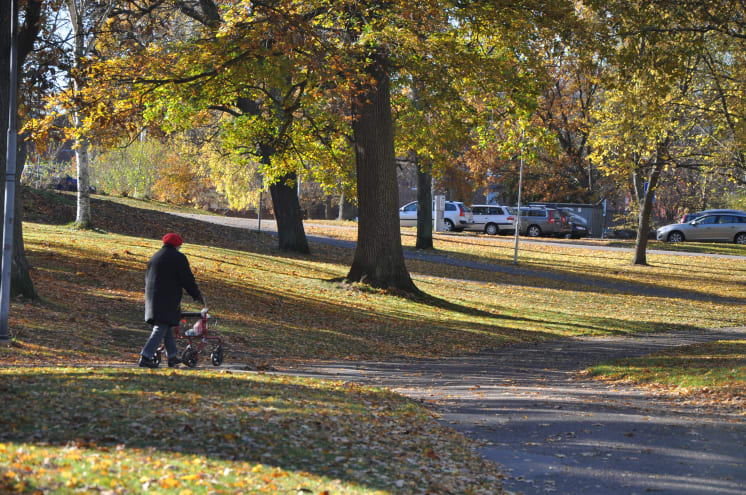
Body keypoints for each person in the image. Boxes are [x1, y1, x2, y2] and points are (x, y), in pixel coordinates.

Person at [139, 233, 204, 368]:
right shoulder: (178, 258)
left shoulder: (155, 257)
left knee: (166, 325)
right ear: (177, 245)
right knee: (161, 326)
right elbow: (187, 279)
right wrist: (197, 295)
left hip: (152, 297)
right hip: (166, 298)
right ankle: (145, 356)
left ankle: (172, 356)